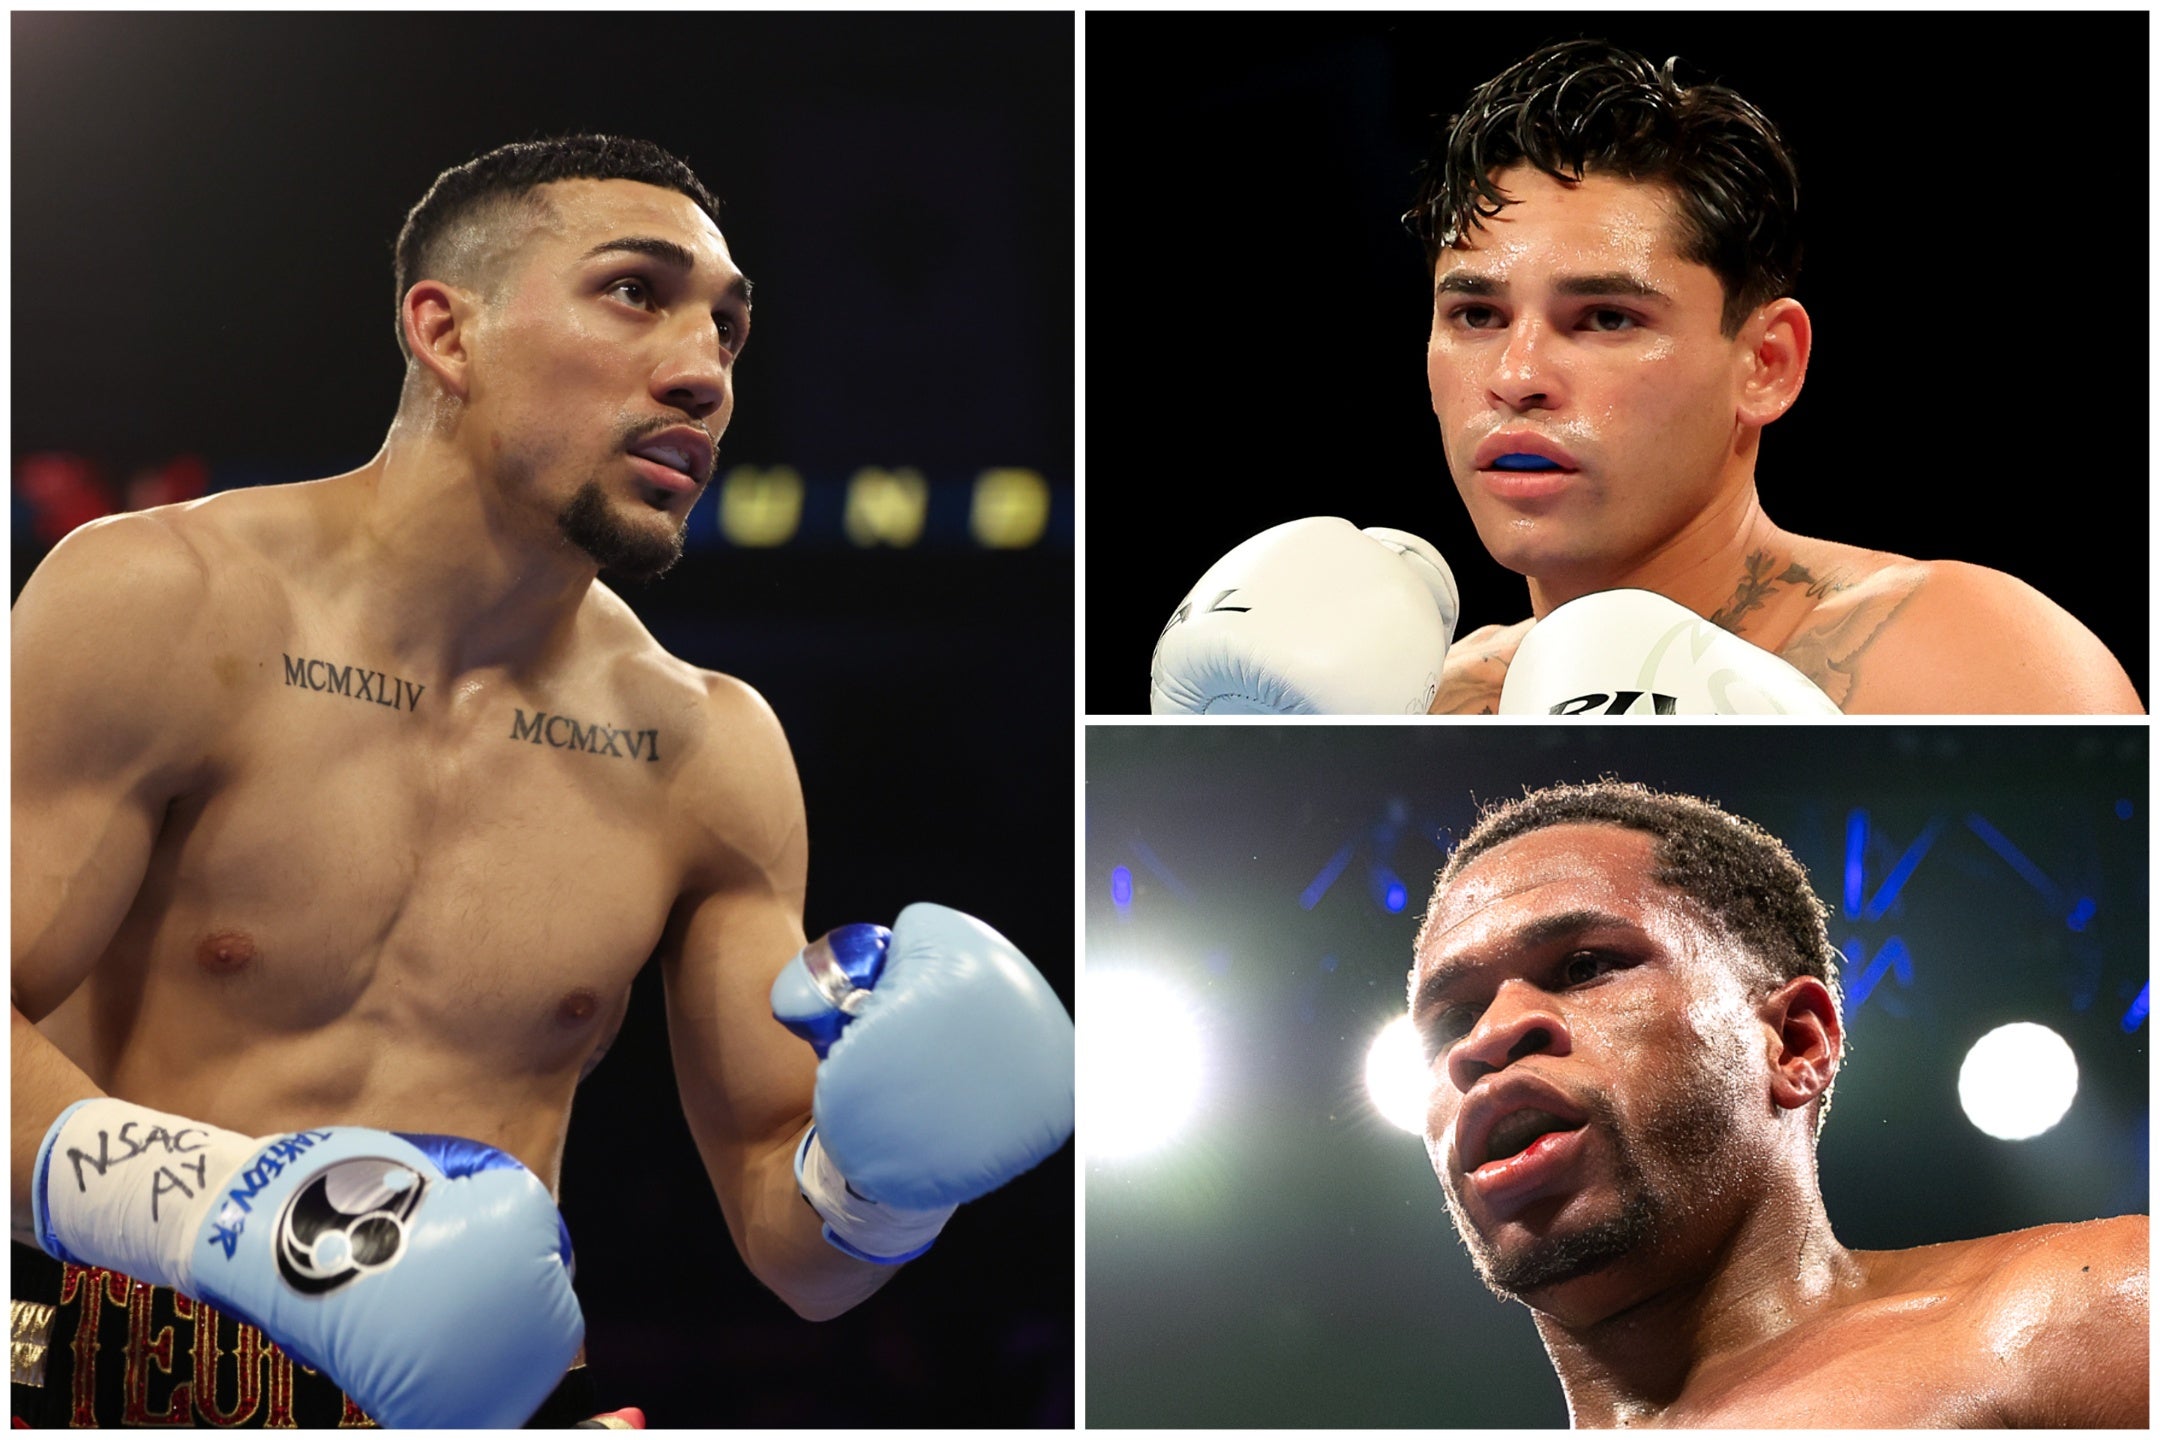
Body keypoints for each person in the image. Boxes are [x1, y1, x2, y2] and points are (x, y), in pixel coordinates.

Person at [9, 134, 1073, 1428]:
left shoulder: (705, 747)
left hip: (494, 1401)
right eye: (637, 293)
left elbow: (792, 1243)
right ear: (446, 332)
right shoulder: (166, 605)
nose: (703, 375)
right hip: (121, 1381)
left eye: (729, 333)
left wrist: (890, 1184)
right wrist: (267, 1223)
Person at [1148, 40, 2143, 716]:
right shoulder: (1429, 700)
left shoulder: (1949, 649)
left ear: (1767, 364)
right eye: (1475, 315)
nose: (1518, 375)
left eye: (1607, 318)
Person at [1407, 779, 2147, 1426]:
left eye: (1584, 966)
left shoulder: (2082, 1315)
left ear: (1795, 1044)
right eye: (1451, 1019)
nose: (1491, 1037)